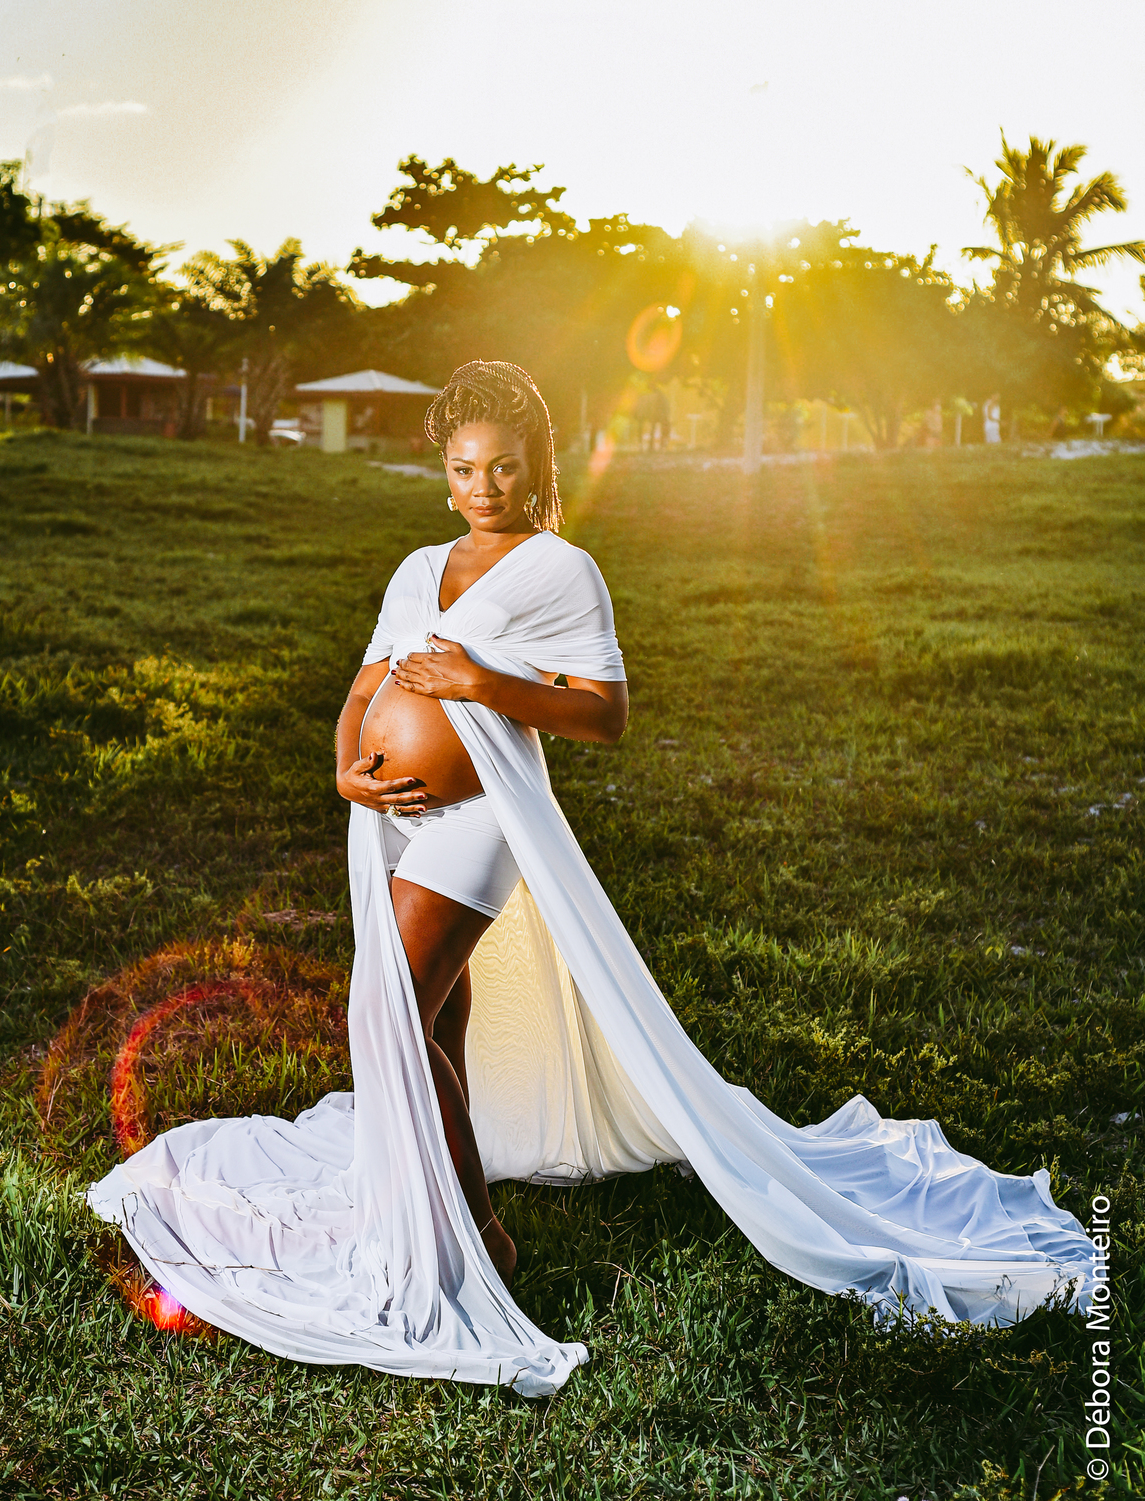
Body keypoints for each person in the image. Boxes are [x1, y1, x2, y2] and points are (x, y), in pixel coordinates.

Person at [88, 361, 1096, 1397]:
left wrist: (482, 682)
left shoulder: (562, 569)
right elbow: (363, 687)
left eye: (503, 469)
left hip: (480, 817)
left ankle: (474, 1231)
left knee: (381, 1011)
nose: (483, 487)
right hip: (384, 819)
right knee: (433, 1020)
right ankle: (455, 1195)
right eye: (464, 469)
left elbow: (605, 710)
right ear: (443, 477)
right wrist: (346, 761)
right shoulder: (415, 566)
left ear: (535, 470)